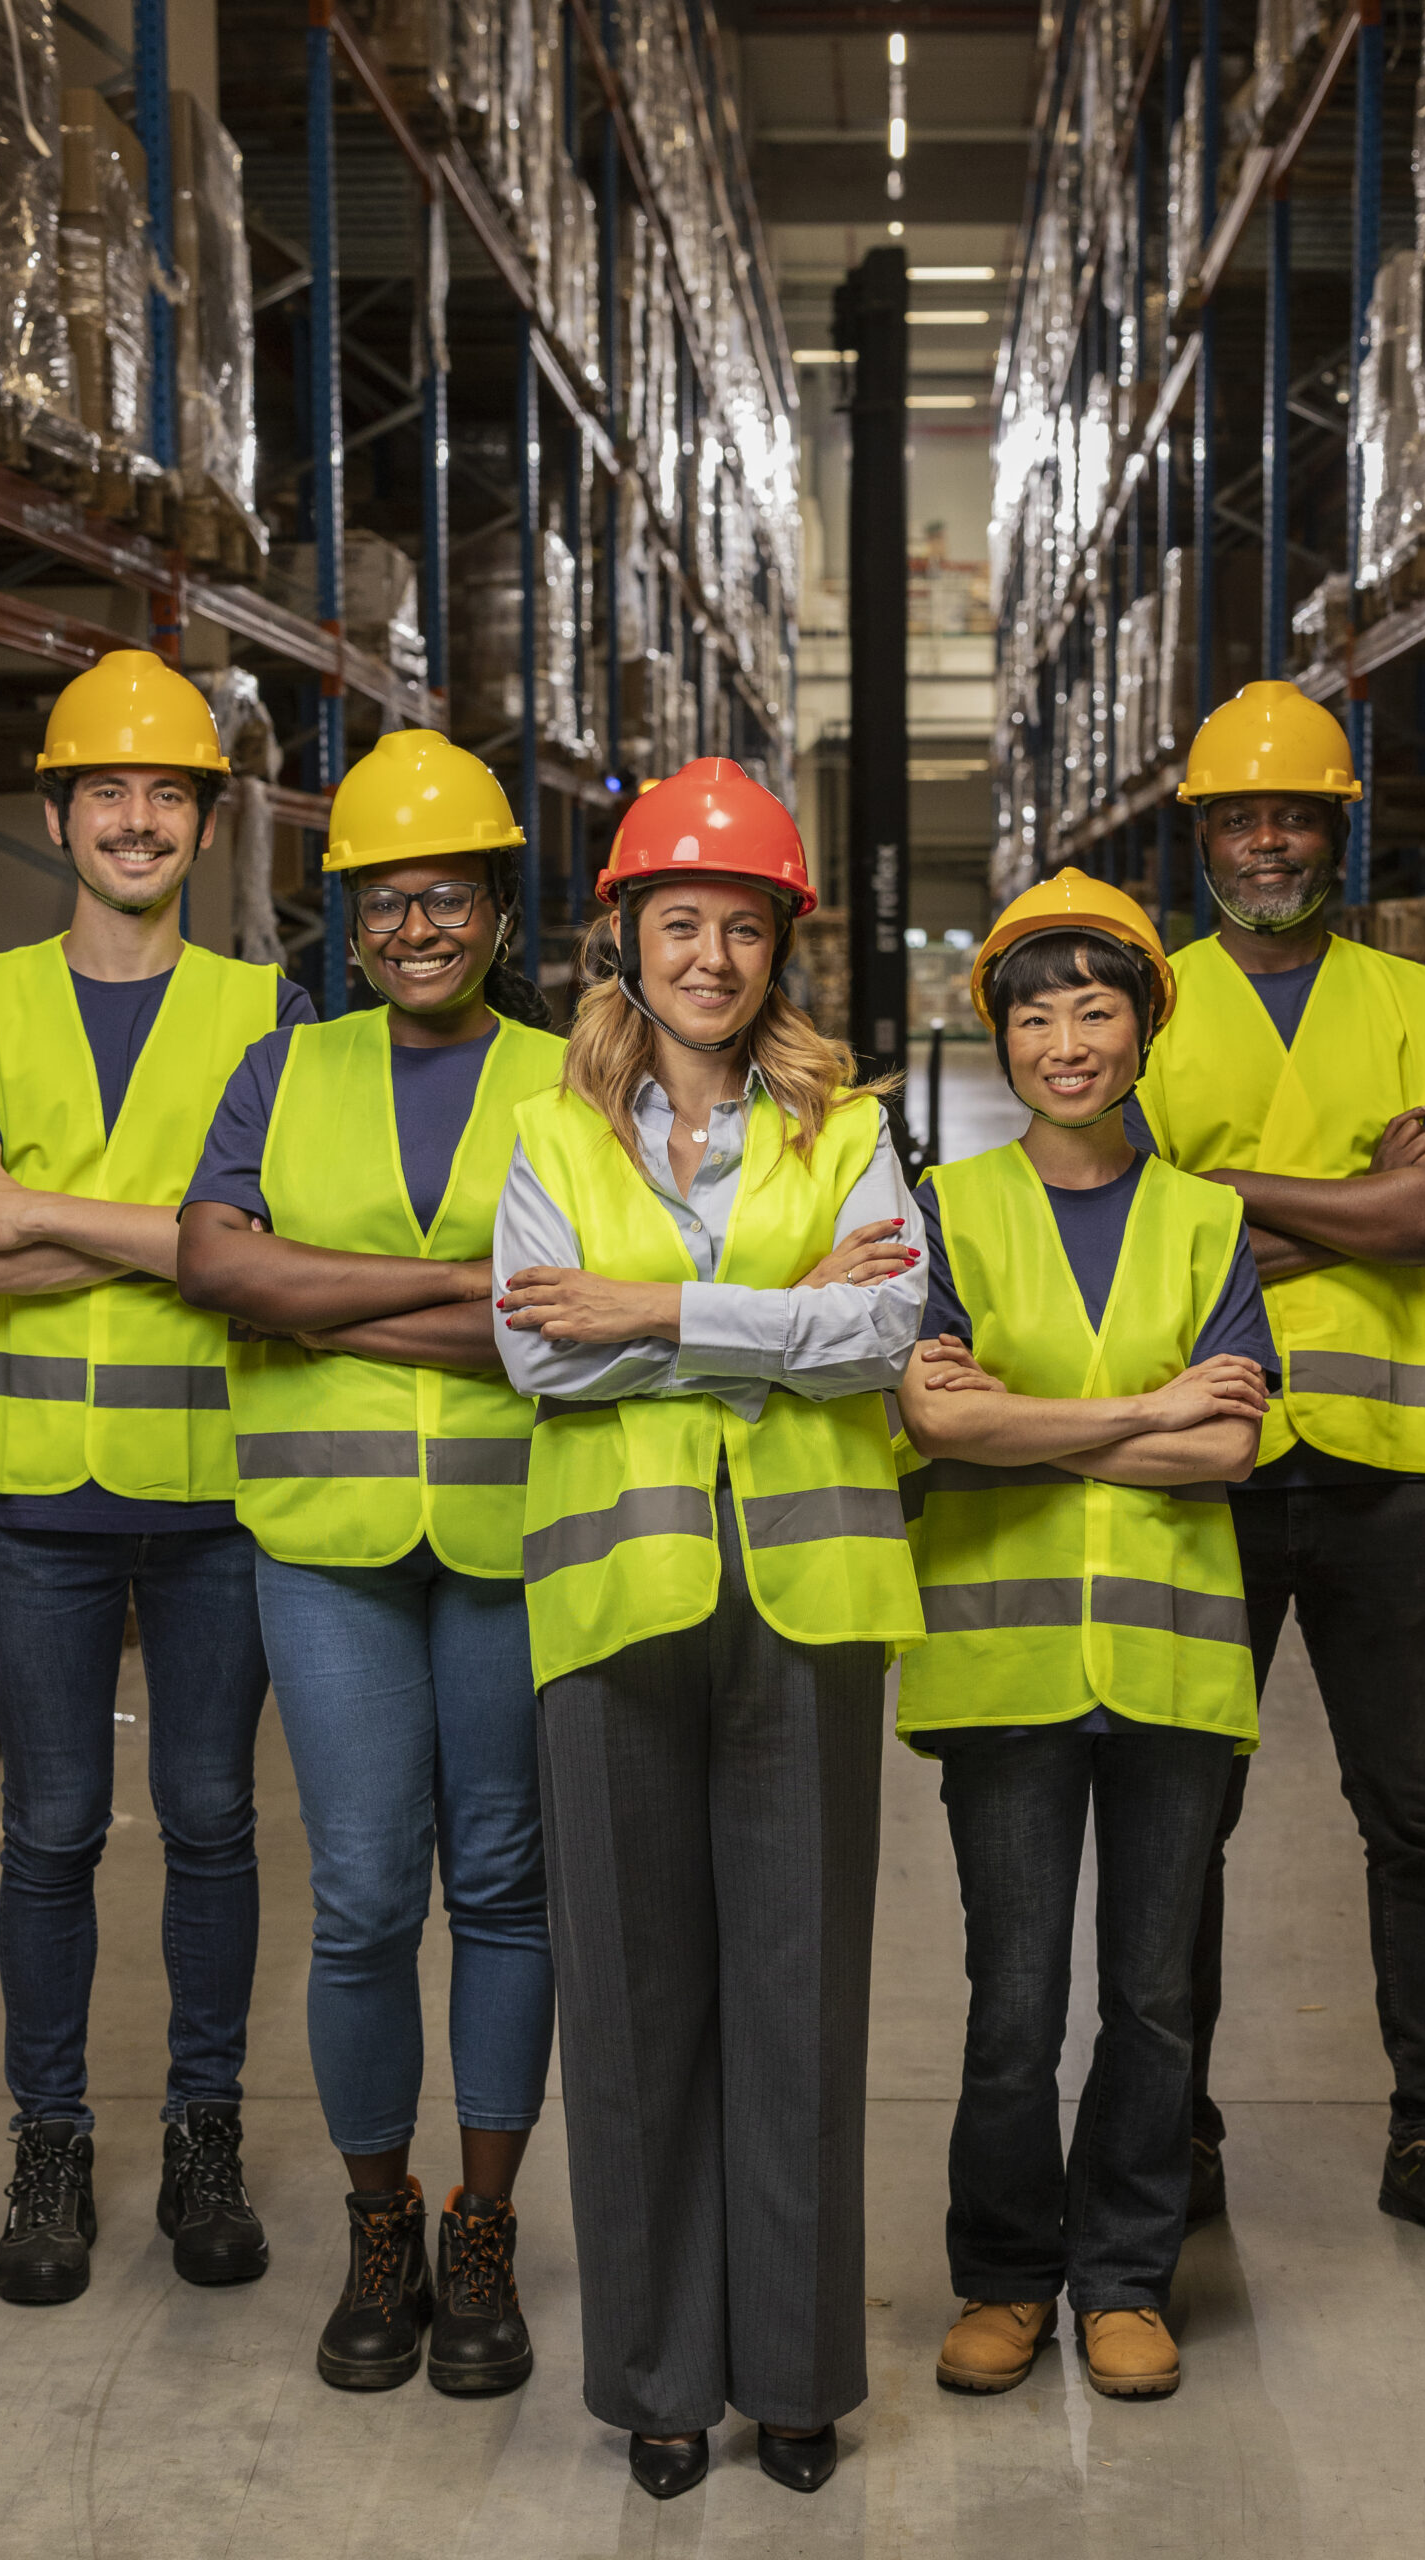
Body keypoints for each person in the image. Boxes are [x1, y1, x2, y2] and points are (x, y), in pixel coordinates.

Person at [494, 757, 927, 2499]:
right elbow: (540, 1348)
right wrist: (766, 1313)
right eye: (682, 923)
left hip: (806, 1605)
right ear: (626, 938)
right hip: (617, 1607)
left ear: (779, 953)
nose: (712, 957)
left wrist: (658, 1305)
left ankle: (800, 2376)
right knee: (630, 1995)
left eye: (743, 929)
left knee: (798, 1994)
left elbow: (888, 1329)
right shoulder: (547, 1131)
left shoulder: (851, 1124)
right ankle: (665, 2380)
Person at [0, 650, 311, 2304]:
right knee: (54, 1825)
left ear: (206, 828)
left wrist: (42, 1208)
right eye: (108, 792)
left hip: (219, 1492)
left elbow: (264, 1255)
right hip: (34, 1500)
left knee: (213, 1821)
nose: (137, 820)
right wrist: (171, 1242)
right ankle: (48, 2148)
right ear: (60, 812)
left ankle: (203, 2137)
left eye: (169, 796)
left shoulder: (266, 1011)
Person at [175, 729, 565, 2397]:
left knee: (499, 1888)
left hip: (513, 1538)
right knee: (356, 1901)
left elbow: (563, 1324)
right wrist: (455, 1299)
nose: (419, 926)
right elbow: (216, 1268)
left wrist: (318, 1288)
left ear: (497, 906)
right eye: (387, 900)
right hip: (324, 1549)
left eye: (451, 895)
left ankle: (484, 2229)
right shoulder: (285, 1069)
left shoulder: (571, 1077)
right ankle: (378, 2217)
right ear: (347, 918)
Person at [1131, 680, 1425, 2264]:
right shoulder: (1145, 1004)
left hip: (1383, 1477)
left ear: (1337, 829)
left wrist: (1223, 1197)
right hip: (1208, 1463)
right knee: (1186, 1815)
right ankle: (1181, 2123)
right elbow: (1142, 1244)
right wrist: (1341, 1193)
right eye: (1241, 815)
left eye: (1296, 812)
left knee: (1418, 1815)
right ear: (1205, 838)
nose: (1269, 838)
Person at [897, 871, 1273, 2403]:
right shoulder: (947, 1212)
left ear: (1142, 1028)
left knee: (1155, 1999)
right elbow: (930, 1416)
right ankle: (1002, 2274)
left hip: (1178, 1672)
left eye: (1096, 1008)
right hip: (1005, 1671)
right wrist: (1142, 1409)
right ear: (1001, 1038)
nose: (1066, 1040)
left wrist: (1025, 1425)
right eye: (1035, 1013)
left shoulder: (1206, 1218)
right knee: (1013, 2001)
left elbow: (1230, 1452)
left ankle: (1124, 2279)